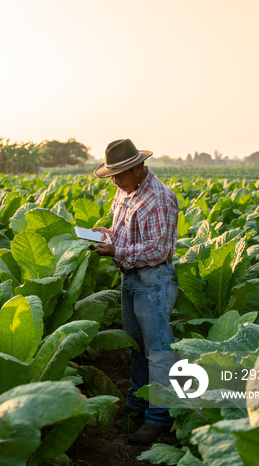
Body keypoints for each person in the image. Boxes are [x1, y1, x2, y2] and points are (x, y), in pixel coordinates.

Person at [91, 138, 179, 444]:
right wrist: (108, 235)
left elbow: (158, 249)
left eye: (120, 173)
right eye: (111, 174)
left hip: (153, 279)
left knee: (158, 350)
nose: (114, 180)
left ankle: (159, 418)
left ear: (139, 168)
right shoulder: (124, 191)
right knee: (137, 346)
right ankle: (137, 403)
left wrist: (116, 249)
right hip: (130, 277)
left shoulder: (159, 197)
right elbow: (127, 233)